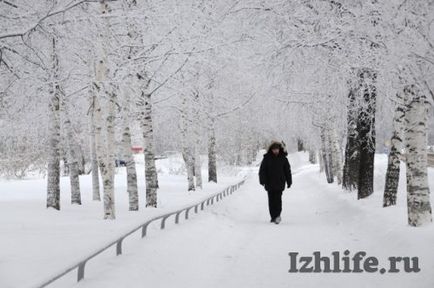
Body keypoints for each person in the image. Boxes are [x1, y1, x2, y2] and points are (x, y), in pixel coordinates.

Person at [258, 140, 292, 224]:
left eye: (277, 149)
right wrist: (262, 180)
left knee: (278, 200)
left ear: (279, 149)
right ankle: (273, 216)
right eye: (274, 149)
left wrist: (289, 181)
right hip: (269, 183)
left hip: (280, 183)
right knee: (271, 201)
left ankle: (277, 216)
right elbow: (262, 170)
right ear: (271, 150)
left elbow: (287, 171)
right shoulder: (266, 158)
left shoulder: (283, 158)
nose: (276, 151)